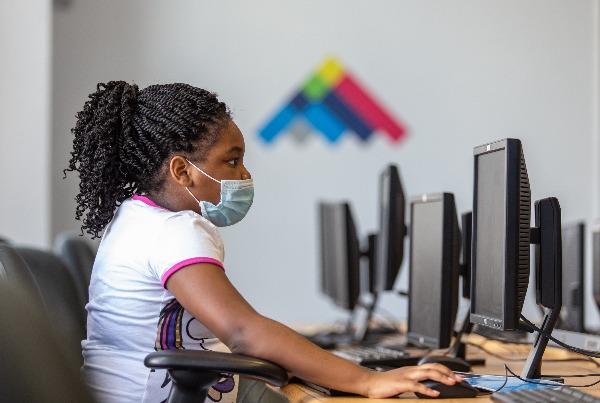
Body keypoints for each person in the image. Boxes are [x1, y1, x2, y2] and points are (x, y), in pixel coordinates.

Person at [66, 81, 464, 403]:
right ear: (182, 171)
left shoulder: (135, 217)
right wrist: (366, 380)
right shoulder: (175, 231)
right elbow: (242, 331)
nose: (244, 175)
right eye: (232, 160)